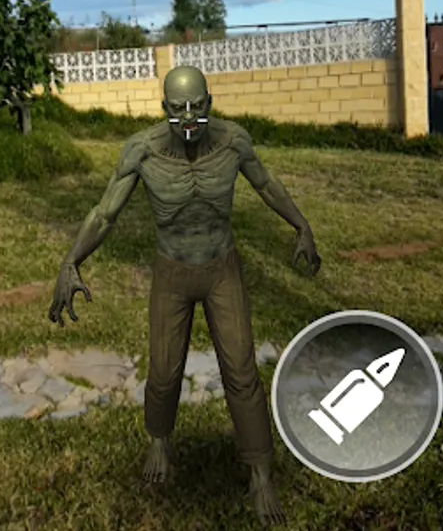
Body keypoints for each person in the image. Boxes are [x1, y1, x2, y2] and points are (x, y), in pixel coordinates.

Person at [49, 65, 321, 526]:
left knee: (241, 371)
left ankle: (259, 473)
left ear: (210, 102)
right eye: (179, 109)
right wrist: (70, 261)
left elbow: (266, 184)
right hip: (172, 271)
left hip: (221, 268)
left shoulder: (233, 142)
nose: (189, 117)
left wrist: (301, 226)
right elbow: (104, 214)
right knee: (163, 370)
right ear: (164, 108)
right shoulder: (142, 150)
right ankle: (159, 440)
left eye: (197, 106)